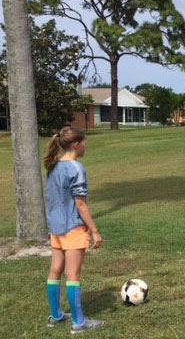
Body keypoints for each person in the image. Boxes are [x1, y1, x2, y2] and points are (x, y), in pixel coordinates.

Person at [43, 126, 104, 334]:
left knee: (55, 270)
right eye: (85, 142)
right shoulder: (76, 168)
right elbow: (80, 204)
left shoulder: (53, 166)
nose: (86, 145)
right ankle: (79, 322)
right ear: (76, 144)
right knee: (73, 275)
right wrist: (94, 230)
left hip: (56, 228)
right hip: (72, 228)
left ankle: (56, 315)